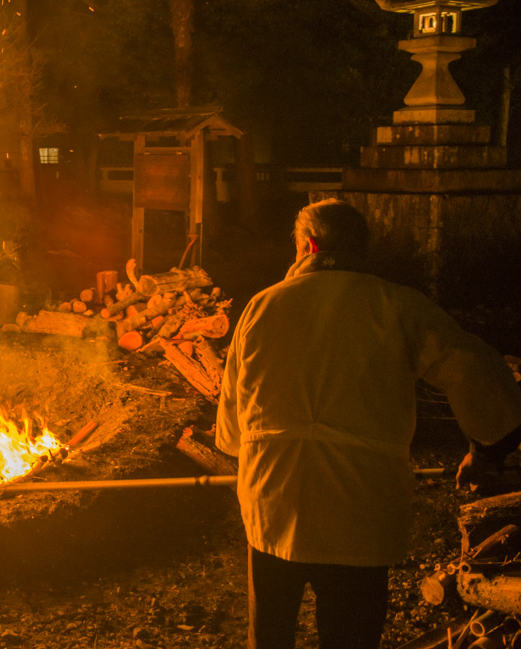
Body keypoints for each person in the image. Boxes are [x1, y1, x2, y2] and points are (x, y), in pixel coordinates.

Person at [215, 198, 521, 649]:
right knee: (350, 636)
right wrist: (486, 449)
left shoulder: (261, 307)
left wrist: (248, 452)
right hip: (360, 506)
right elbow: (474, 367)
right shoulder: (397, 306)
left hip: (273, 500)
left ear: (308, 246)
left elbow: (232, 424)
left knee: (270, 634)